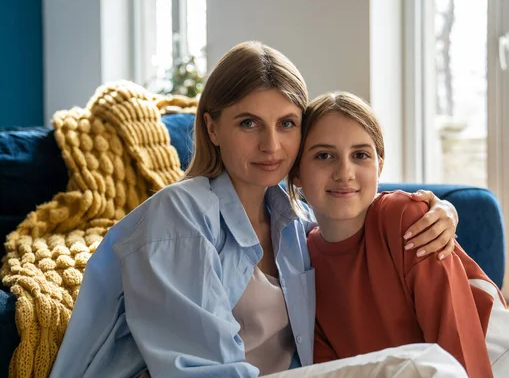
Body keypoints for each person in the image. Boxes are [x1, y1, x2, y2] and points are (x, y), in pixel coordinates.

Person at [50, 42, 460, 378]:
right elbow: (199, 370)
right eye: (248, 123)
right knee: (421, 368)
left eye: (286, 124)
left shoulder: (295, 227)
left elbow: (353, 195)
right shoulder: (180, 216)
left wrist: (436, 210)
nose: (271, 146)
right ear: (213, 128)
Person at [287, 91, 509, 378]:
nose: (344, 172)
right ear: (296, 172)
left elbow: (455, 336)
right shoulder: (302, 260)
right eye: (324, 155)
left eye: (360, 155)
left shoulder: (404, 217)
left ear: (379, 165)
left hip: (505, 368)